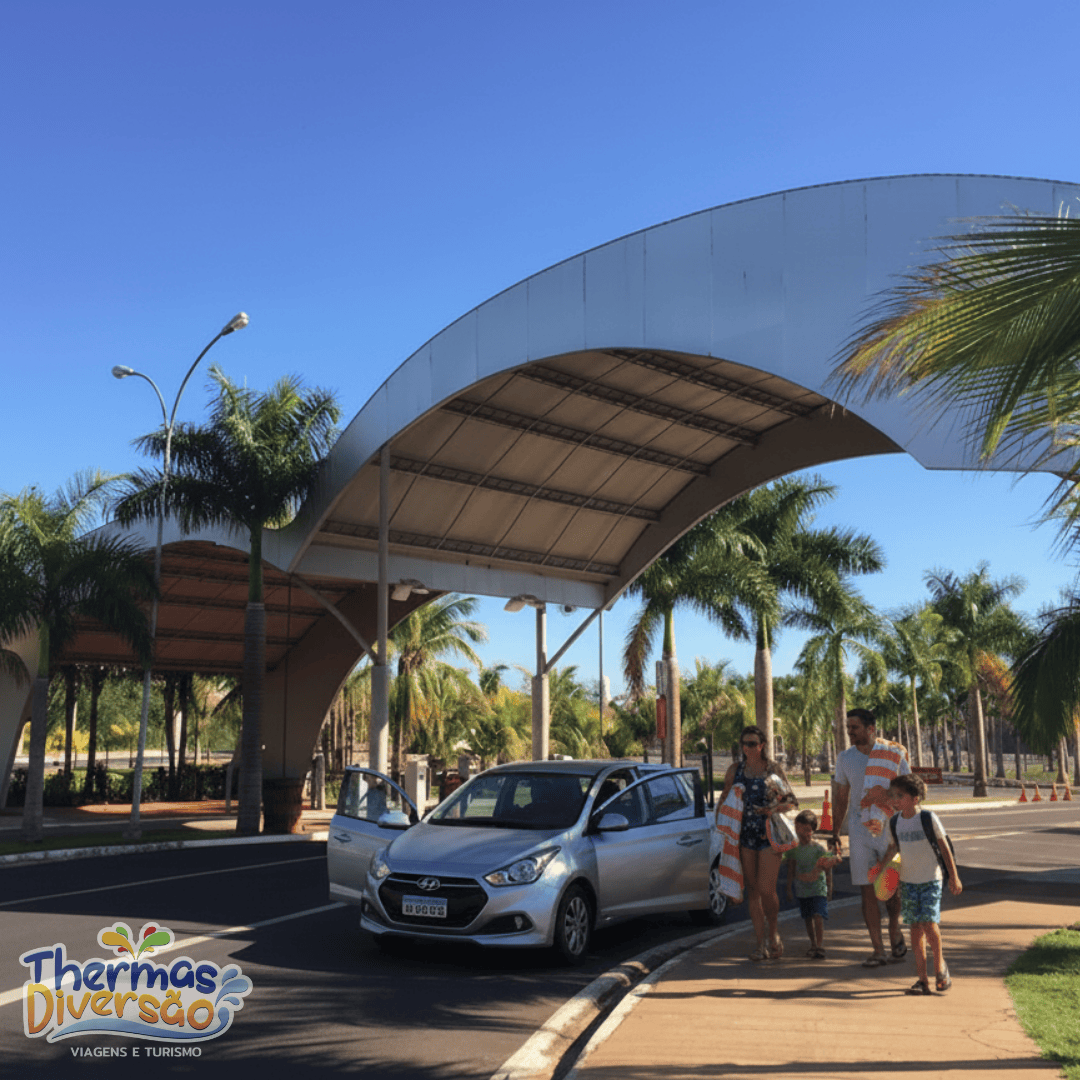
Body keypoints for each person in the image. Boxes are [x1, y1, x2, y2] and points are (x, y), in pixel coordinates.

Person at [831, 708, 910, 967]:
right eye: (848, 727)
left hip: (889, 827)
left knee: (890, 887)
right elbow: (841, 795)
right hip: (858, 827)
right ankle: (878, 949)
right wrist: (835, 830)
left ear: (870, 728)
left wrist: (906, 824)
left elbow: (910, 789)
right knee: (867, 889)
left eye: (854, 727)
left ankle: (894, 929)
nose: (850, 732)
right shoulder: (845, 758)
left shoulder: (893, 754)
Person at [871, 773, 962, 994]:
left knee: (929, 925)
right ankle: (923, 980)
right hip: (908, 882)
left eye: (900, 795)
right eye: (893, 796)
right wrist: (881, 868)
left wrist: (954, 876)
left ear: (915, 798)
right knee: (914, 929)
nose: (895, 800)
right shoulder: (894, 822)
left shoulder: (928, 818)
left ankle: (940, 967)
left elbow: (944, 848)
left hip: (931, 879)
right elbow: (893, 849)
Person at [717, 725, 798, 961]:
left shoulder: (772, 770)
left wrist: (770, 809)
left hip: (768, 834)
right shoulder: (736, 770)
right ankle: (760, 943)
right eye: (744, 743)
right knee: (752, 891)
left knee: (766, 889)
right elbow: (724, 798)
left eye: (752, 743)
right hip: (744, 835)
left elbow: (791, 802)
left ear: (762, 745)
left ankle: (773, 932)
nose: (747, 748)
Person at [782, 809, 839, 958]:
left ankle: (819, 945)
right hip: (802, 890)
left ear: (813, 830)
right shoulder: (793, 849)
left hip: (818, 889)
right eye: (800, 829)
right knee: (808, 918)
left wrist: (829, 887)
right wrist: (789, 888)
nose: (803, 833)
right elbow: (791, 869)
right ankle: (813, 943)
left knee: (818, 916)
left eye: (807, 830)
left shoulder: (818, 849)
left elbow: (827, 867)